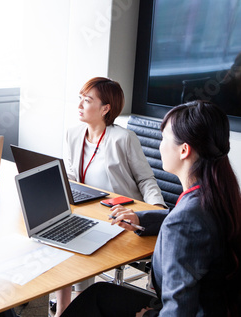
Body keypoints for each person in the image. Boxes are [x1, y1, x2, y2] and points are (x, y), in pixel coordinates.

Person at [62, 100, 241, 316]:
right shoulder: (220, 194)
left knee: (91, 302)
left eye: (164, 138)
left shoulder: (186, 219)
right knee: (98, 294)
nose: (160, 145)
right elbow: (189, 219)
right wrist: (142, 219)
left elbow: (180, 308)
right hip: (219, 305)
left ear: (184, 150)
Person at [54, 77, 165, 316]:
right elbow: (73, 174)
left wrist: (156, 211)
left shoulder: (123, 139)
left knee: (79, 243)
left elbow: (146, 179)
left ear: (106, 109)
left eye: (87, 100)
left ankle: (78, 303)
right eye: (80, 99)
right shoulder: (73, 134)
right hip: (87, 207)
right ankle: (64, 308)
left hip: (120, 215)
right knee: (60, 236)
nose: (80, 105)